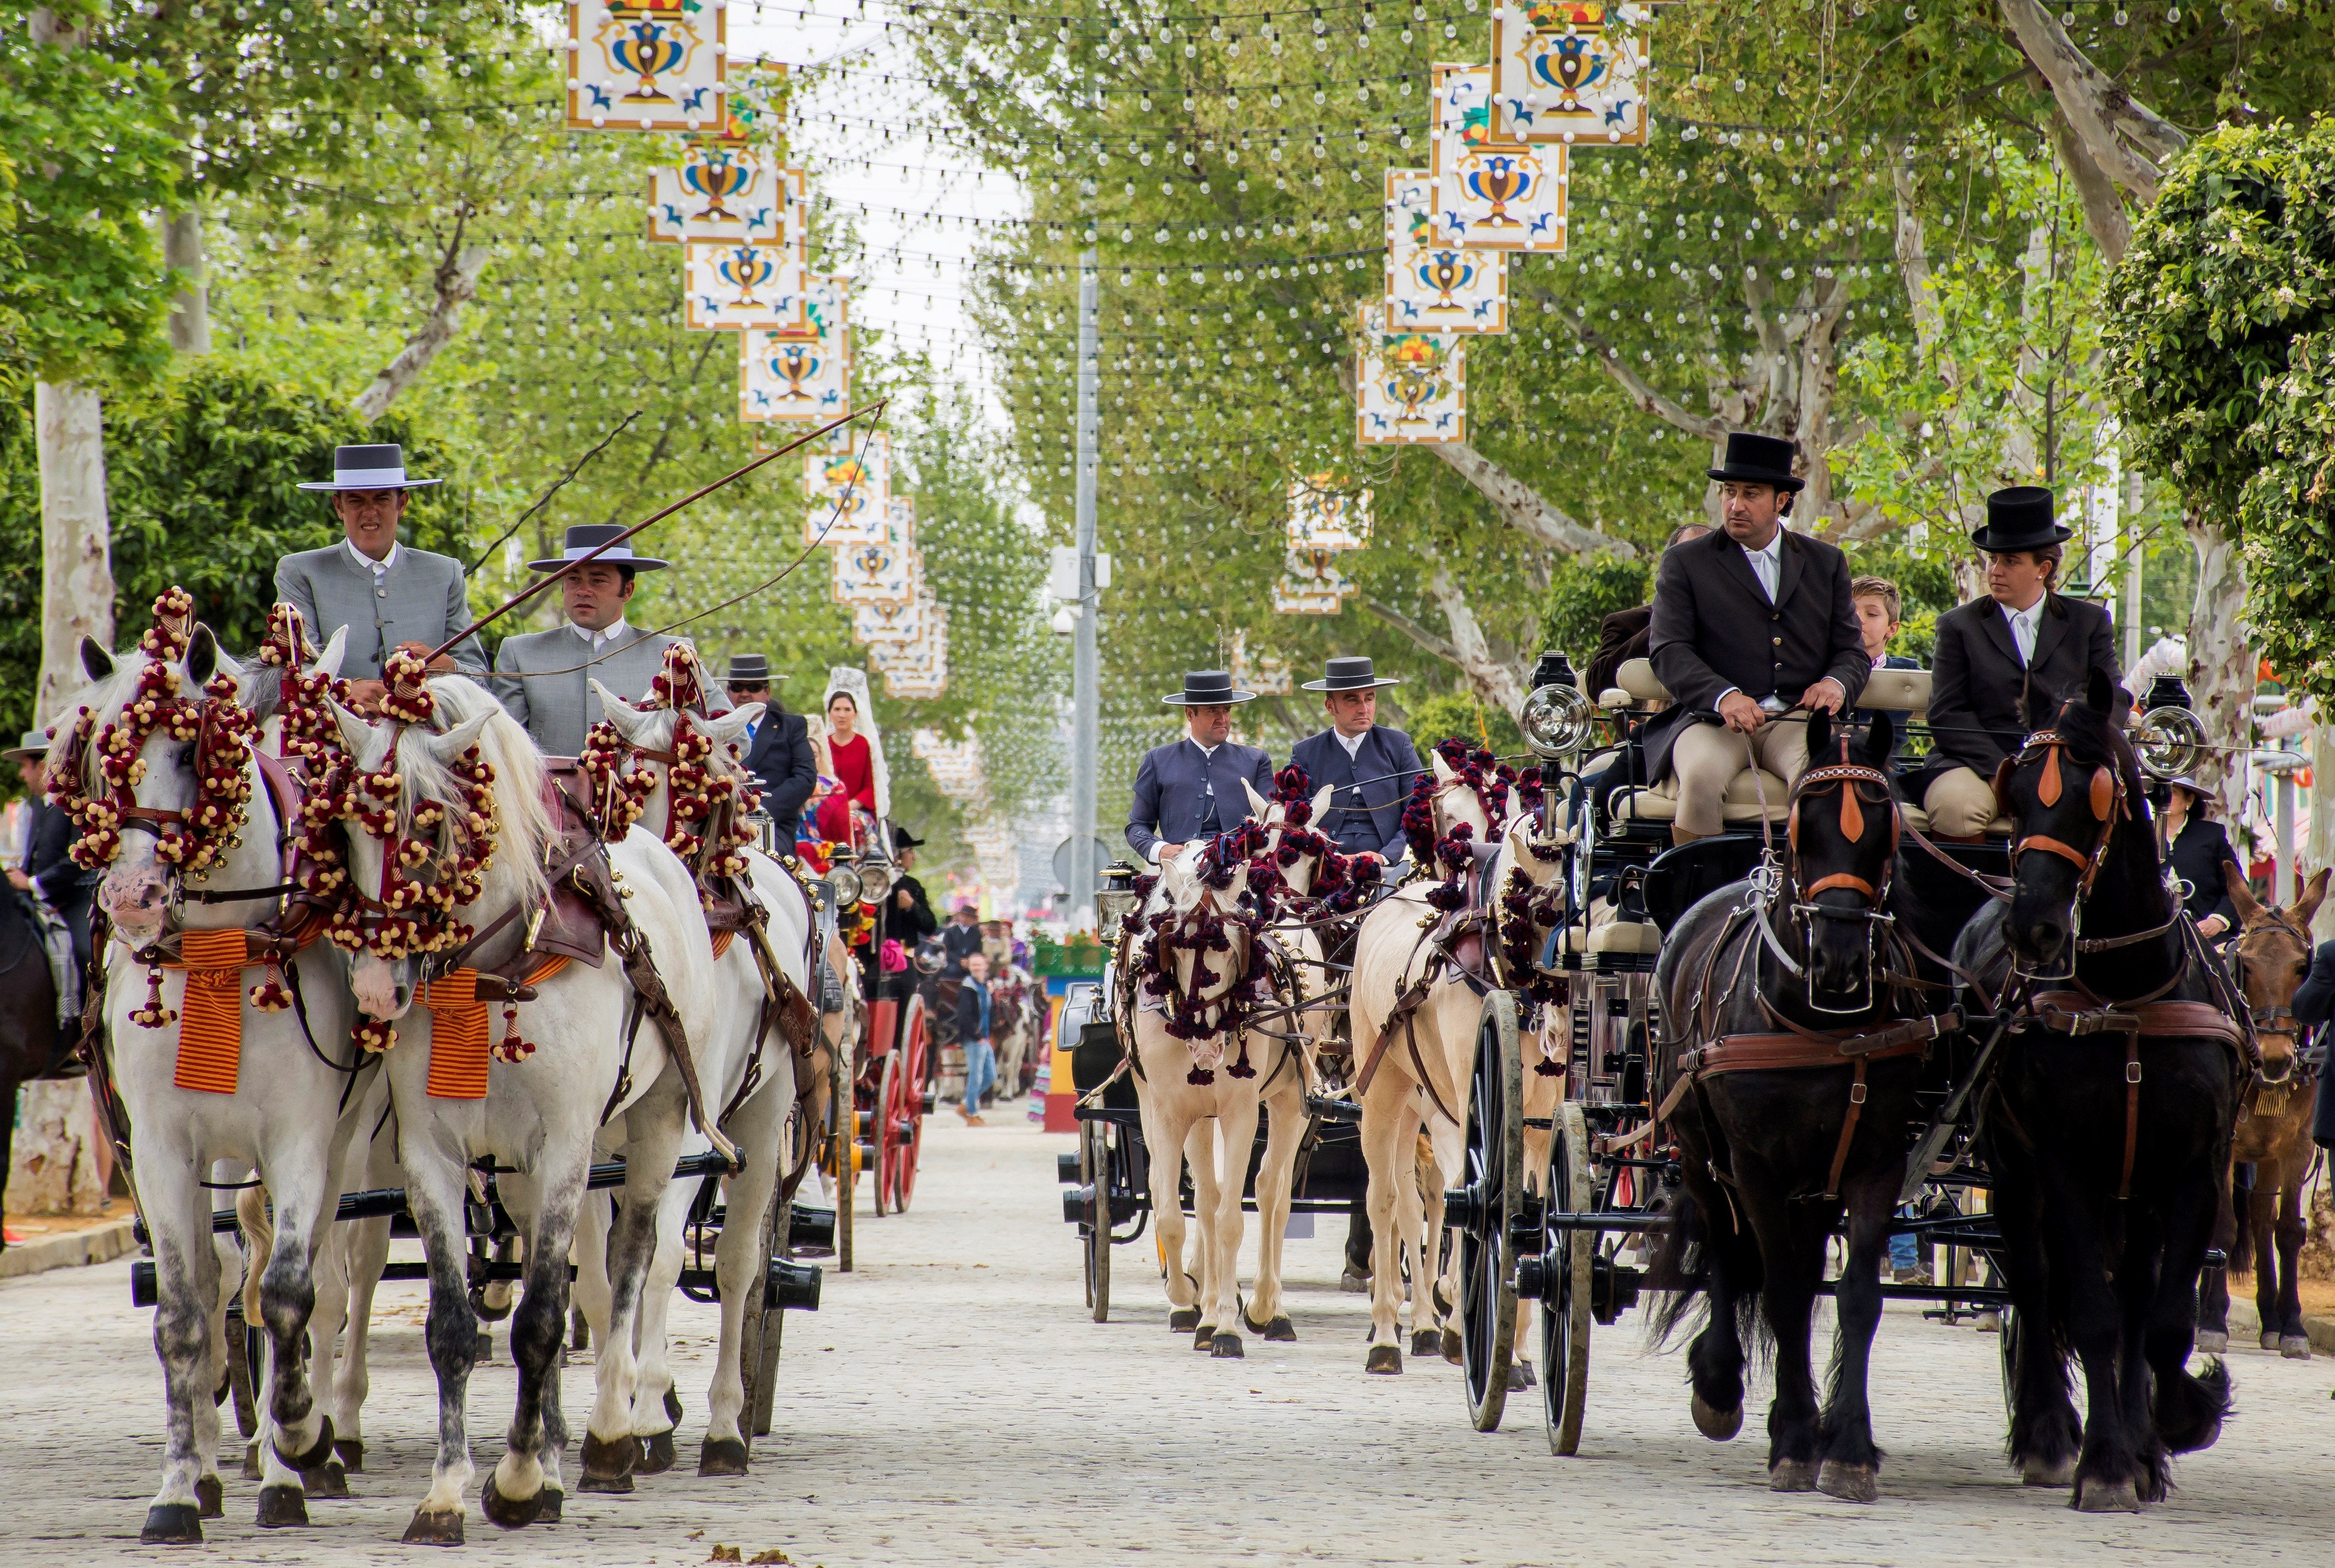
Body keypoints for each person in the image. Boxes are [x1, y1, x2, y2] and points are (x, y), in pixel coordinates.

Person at [1646, 433, 1869, 845]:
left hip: (1796, 719)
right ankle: (1701, 904)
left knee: (1822, 777)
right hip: (1711, 721)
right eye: (1729, 492)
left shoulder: (1825, 562)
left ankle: (1806, 901)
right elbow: (1668, 649)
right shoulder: (1685, 562)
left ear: (1781, 500)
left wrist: (1835, 684)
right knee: (1699, 780)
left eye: (1751, 494)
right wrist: (1723, 696)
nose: (1735, 505)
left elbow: (1851, 652)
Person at [1912, 487, 2125, 840]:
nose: (1994, 570)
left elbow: (2113, 698)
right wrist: (2004, 770)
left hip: (2068, 759)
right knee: (1957, 807)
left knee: (2111, 805)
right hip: (1979, 765)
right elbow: (1947, 713)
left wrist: (2068, 751)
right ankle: (1968, 894)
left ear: (2043, 568)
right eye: (1992, 559)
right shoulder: (1957, 625)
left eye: (2009, 561)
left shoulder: (2089, 622)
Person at [275, 443, 486, 709]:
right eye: (356, 501)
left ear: (402, 504)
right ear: (339, 507)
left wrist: (443, 665)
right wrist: (343, 689)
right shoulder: (301, 572)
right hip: (333, 737)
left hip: (428, 741)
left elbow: (480, 676)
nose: (370, 512)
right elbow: (293, 667)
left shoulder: (445, 573)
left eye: (382, 499)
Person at [490, 524, 724, 757]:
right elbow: (501, 745)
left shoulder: (671, 655)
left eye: (598, 581)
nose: (583, 591)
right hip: (548, 792)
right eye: (573, 579)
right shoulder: (521, 653)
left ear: (628, 590)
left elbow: (734, 739)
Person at [1125, 669, 1275, 864]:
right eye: (1213, 711)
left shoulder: (1257, 760)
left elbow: (1271, 823)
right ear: (1190, 714)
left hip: (1242, 870)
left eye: (1227, 710)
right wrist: (1162, 850)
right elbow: (1137, 826)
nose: (1223, 718)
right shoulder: (1158, 760)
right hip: (1179, 873)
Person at [1286, 656, 1420, 864]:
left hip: (1392, 868)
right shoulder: (1305, 754)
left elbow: (1419, 810)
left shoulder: (1398, 745)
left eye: (1369, 698)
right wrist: (1332, 859)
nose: (1364, 708)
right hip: (1325, 868)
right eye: (1352, 700)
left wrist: (1385, 856)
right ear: (1330, 707)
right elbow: (1295, 823)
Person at [6, 729, 93, 1027]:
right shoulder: (36, 806)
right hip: (41, 900)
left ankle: (89, 1028)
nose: (21, 774)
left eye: (25, 766)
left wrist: (31, 883)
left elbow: (76, 861)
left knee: (86, 952)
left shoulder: (77, 804)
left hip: (76, 899)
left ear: (43, 767)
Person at [1588, 523, 1713, 697]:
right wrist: (1668, 623)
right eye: (1688, 559)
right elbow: (1597, 684)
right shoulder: (1625, 623)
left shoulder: (1742, 615)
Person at [726, 654, 817, 848]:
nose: (745, 694)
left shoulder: (791, 727)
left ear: (767, 692)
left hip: (773, 825)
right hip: (721, 824)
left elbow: (805, 778)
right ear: (728, 691)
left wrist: (759, 811)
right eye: (737, 687)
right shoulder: (715, 727)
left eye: (754, 688)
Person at [814, 670, 889, 850]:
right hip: (825, 809)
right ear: (830, 713)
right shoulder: (822, 745)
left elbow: (869, 789)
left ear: (856, 714)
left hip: (856, 810)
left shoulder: (864, 745)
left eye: (847, 710)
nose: (842, 715)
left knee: (853, 826)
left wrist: (845, 807)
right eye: (837, 710)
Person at [2159, 777, 2241, 942]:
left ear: (2189, 800)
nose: (2164, 797)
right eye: (2160, 792)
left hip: (2205, 934)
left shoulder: (2211, 835)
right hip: (2153, 934)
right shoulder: (2140, 837)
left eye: (2172, 792)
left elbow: (2237, 887)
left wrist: (2217, 921)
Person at [953, 951, 996, 1124]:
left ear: (986, 966)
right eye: (974, 965)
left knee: (991, 1076)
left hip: (984, 1038)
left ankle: (965, 1104)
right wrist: (976, 1035)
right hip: (974, 1039)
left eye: (980, 964)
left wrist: (991, 993)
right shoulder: (967, 988)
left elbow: (990, 1012)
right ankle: (972, 1114)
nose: (977, 968)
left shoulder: (985, 987)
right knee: (976, 1076)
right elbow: (964, 1016)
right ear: (970, 968)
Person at [884, 825, 938, 950]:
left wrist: (911, 906)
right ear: (897, 856)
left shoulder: (912, 885)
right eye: (910, 851)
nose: (914, 857)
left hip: (903, 956)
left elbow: (930, 926)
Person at [1851, 577, 1921, 672]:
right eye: (1850, 612)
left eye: (1872, 614)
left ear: (1892, 629)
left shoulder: (1910, 672)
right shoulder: (1825, 668)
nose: (1857, 618)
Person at [941, 900, 984, 976]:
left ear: (973, 919)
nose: (965, 919)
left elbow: (978, 951)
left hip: (971, 963)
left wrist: (969, 961)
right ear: (960, 916)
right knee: (952, 971)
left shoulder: (976, 933)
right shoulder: (950, 932)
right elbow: (947, 950)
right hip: (954, 963)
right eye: (963, 916)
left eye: (969, 917)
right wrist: (960, 960)